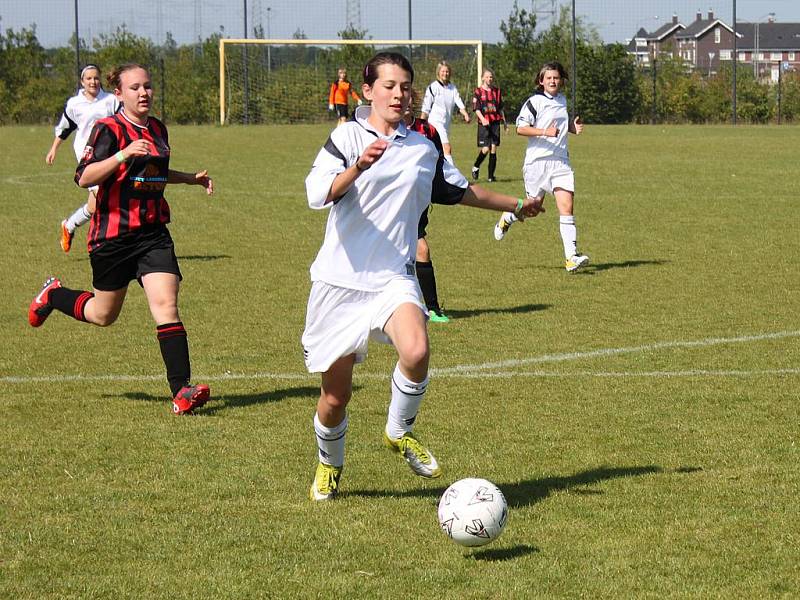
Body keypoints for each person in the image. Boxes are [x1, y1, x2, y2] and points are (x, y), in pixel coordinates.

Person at [303, 52, 544, 500]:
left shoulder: (423, 146)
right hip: (339, 282)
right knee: (335, 399)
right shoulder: (347, 136)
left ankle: (398, 432)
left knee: (416, 349)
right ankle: (328, 466)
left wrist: (516, 204)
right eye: (389, 86)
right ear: (367, 91)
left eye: (405, 87)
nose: (399, 94)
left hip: (394, 277)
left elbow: (458, 191)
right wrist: (358, 167)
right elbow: (317, 193)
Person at [28, 63, 215, 415]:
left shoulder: (158, 129)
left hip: (153, 234)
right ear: (119, 94)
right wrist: (122, 155)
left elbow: (153, 175)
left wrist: (190, 179)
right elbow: (84, 177)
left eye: (147, 86)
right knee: (103, 314)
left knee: (166, 305)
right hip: (112, 238)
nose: (143, 93)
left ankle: (182, 391)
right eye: (135, 88)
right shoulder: (109, 129)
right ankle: (53, 295)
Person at [493, 61, 589, 273]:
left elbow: (560, 127)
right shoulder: (534, 102)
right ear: (541, 81)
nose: (553, 81)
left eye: (556, 78)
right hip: (537, 163)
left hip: (561, 161)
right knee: (532, 209)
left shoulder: (562, 100)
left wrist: (572, 128)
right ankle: (507, 217)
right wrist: (545, 132)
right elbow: (520, 128)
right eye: (549, 78)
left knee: (567, 206)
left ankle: (571, 257)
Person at [45, 64, 120, 253]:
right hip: (87, 155)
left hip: (109, 153)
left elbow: (123, 122)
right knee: (103, 197)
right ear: (82, 81)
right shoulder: (74, 104)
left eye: (96, 78)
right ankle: (102, 243)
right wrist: (54, 148)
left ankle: (69, 226)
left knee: (95, 206)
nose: (93, 82)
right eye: (89, 79)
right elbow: (65, 127)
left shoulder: (110, 100)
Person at [407, 88, 449, 323]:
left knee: (419, 250)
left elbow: (439, 162)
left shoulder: (427, 130)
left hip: (418, 201)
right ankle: (429, 308)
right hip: (393, 204)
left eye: (408, 95)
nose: (403, 100)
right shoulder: (384, 130)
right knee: (419, 249)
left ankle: (431, 308)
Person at [420, 61, 470, 165]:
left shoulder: (452, 88)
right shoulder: (433, 87)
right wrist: (421, 124)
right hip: (435, 123)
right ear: (438, 72)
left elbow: (459, 102)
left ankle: (433, 176)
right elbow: (426, 107)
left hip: (445, 124)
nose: (445, 73)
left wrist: (465, 114)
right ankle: (454, 176)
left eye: (447, 71)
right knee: (447, 148)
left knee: (435, 151)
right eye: (443, 71)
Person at [470, 69, 507, 183]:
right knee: (486, 149)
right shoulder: (478, 92)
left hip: (495, 122)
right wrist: (482, 119)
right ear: (482, 78)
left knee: (494, 148)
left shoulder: (497, 91)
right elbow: (476, 109)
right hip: (484, 123)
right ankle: (475, 166)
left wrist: (504, 122)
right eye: (487, 77)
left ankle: (491, 177)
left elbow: (500, 108)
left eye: (491, 77)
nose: (489, 79)